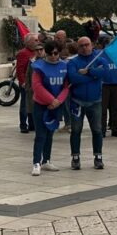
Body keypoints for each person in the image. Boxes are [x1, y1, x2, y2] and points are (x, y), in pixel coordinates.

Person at [30, 40, 69, 175]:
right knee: (40, 135)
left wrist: (58, 101)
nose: (53, 56)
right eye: (50, 53)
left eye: (56, 53)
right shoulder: (38, 67)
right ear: (45, 53)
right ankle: (36, 162)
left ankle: (46, 160)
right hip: (41, 105)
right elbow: (37, 86)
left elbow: (66, 86)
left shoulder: (64, 66)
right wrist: (51, 100)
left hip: (56, 106)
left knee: (50, 133)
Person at [67, 36, 105, 169]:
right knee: (76, 130)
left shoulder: (98, 59)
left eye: (86, 44)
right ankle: (75, 157)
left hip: (95, 101)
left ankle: (98, 157)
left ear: (92, 45)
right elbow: (73, 78)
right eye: (81, 45)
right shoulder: (73, 62)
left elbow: (104, 72)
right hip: (77, 101)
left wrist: (88, 71)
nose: (84, 48)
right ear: (78, 47)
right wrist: (93, 77)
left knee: (97, 130)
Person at [97, 33, 117, 139]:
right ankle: (102, 130)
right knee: (103, 109)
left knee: (115, 109)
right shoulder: (100, 55)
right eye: (108, 43)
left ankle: (115, 128)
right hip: (104, 85)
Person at [15, 33, 38, 133]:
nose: (37, 42)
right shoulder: (23, 53)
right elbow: (20, 70)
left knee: (33, 104)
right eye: (35, 40)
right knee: (25, 104)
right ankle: (23, 125)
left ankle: (32, 124)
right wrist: (23, 82)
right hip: (26, 84)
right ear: (28, 42)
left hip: (35, 84)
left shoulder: (37, 52)